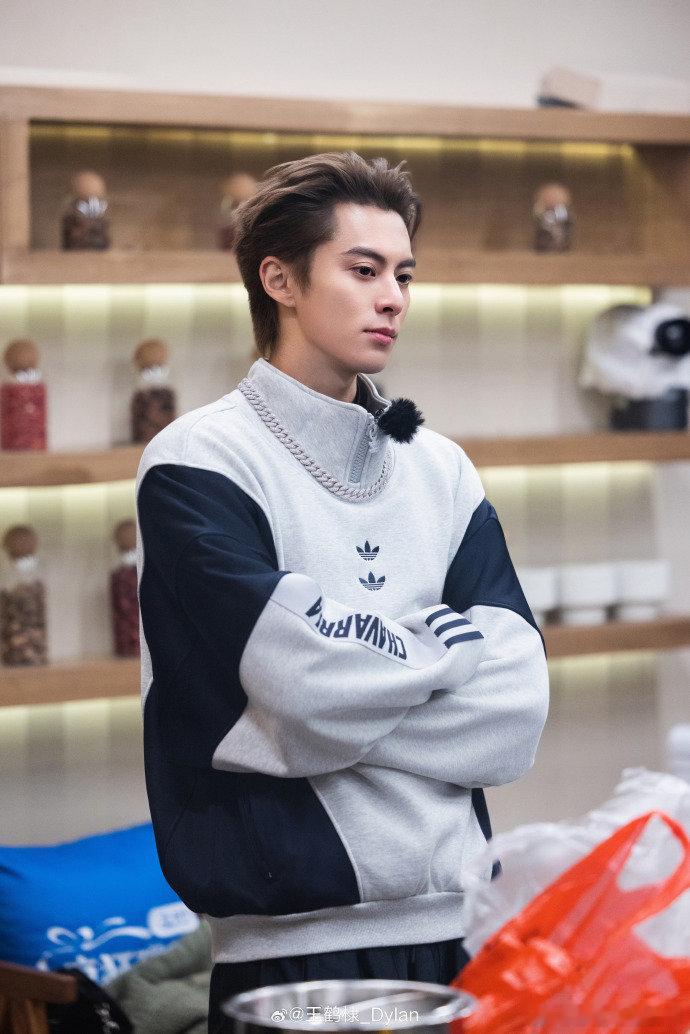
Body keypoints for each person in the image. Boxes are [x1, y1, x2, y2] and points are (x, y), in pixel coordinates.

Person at [134, 151, 549, 1033]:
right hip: (288, 952)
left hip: (459, 931)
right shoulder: (198, 461)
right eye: (363, 270)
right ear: (279, 279)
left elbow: (514, 712)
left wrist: (311, 719)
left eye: (404, 274)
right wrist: (436, 661)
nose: (393, 297)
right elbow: (301, 681)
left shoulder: (441, 468)